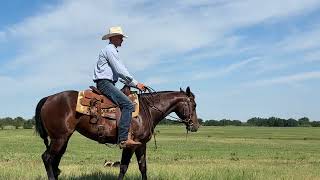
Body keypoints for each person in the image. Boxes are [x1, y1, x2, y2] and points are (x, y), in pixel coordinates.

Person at [93, 26, 146, 148]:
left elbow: (119, 73)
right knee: (128, 104)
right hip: (105, 83)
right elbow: (120, 70)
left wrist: (133, 83)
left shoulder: (112, 51)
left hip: (108, 82)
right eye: (121, 37)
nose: (122, 40)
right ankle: (123, 139)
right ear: (114, 38)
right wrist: (136, 83)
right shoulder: (110, 50)